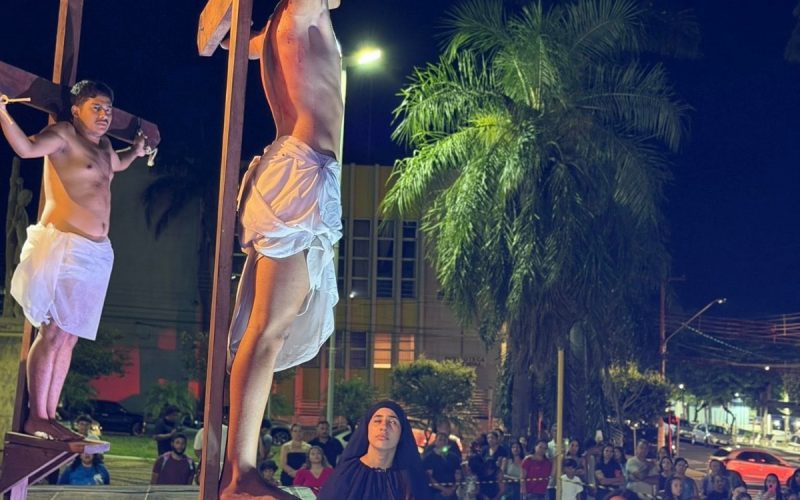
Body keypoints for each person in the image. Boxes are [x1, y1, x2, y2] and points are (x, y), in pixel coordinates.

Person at [218, 0, 344, 497]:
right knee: (267, 328)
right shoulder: (299, 12)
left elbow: (219, 42)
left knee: (271, 326)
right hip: (299, 173)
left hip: (300, 170)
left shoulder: (278, 26)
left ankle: (241, 469)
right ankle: (239, 472)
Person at [0, 81, 146, 441]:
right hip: (65, 246)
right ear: (77, 109)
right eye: (96, 107)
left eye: (108, 109)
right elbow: (27, 147)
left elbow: (117, 166)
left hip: (96, 253)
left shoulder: (106, 146)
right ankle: (38, 415)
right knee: (52, 331)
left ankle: (50, 413)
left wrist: (138, 150)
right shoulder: (63, 134)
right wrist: (2, 112)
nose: (105, 115)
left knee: (69, 337)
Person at [317, 400, 431, 500]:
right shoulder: (346, 474)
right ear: (366, 428)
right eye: (377, 421)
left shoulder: (411, 478)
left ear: (402, 433)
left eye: (392, 422)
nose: (384, 427)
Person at [423, 432, 461, 499]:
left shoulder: (454, 457)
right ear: (435, 441)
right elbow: (429, 477)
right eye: (440, 440)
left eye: (445, 440)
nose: (442, 442)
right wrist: (444, 489)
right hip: (436, 494)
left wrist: (452, 489)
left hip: (452, 494)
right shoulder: (429, 458)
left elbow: (458, 475)